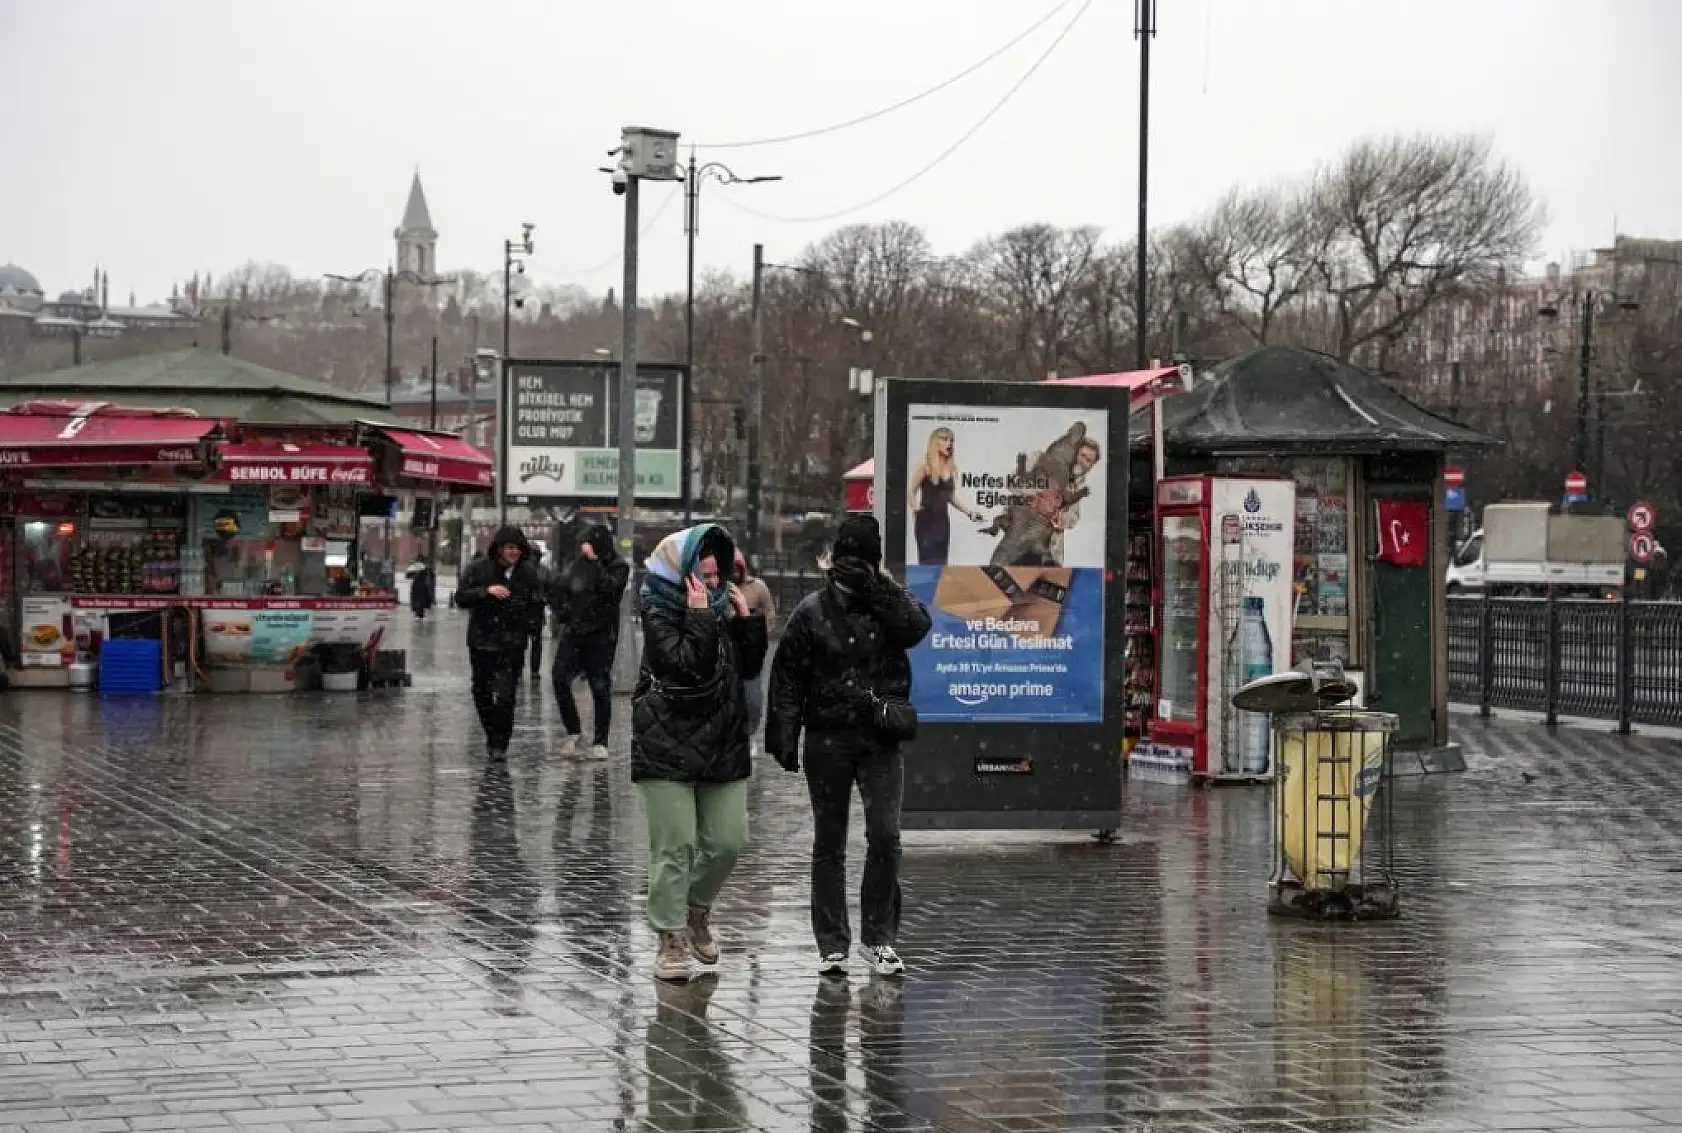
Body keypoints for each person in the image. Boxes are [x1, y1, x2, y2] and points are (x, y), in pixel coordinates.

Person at [767, 514, 931, 977]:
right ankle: (832, 943)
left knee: (885, 835)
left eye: (864, 558)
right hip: (828, 738)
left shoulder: (887, 603)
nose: (854, 566)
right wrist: (784, 735)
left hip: (879, 738)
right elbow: (788, 677)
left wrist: (878, 589)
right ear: (834, 558)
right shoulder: (811, 611)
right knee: (829, 841)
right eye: (849, 557)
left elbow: (918, 626)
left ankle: (878, 938)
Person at [632, 524, 767, 982]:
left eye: (717, 576)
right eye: (703, 575)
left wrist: (745, 619)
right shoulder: (659, 610)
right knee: (676, 845)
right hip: (666, 744)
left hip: (721, 743)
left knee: (729, 841)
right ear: (680, 571)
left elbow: (750, 669)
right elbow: (687, 669)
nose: (713, 585)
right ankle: (670, 938)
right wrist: (702, 616)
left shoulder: (719, 609)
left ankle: (696, 910)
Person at [453, 527, 542, 759]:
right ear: (500, 548)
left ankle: (499, 744)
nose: (514, 552)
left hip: (512, 643)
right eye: (510, 547)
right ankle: (492, 732)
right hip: (482, 641)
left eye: (518, 548)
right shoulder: (479, 568)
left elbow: (536, 602)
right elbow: (461, 597)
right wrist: (486, 592)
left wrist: (530, 625)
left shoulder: (528, 573)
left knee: (506, 694)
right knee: (481, 690)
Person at [551, 523, 630, 759]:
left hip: (601, 635)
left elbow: (611, 590)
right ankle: (573, 731)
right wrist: (563, 612)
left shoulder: (618, 567)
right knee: (559, 678)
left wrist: (595, 562)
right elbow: (563, 588)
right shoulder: (578, 565)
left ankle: (600, 741)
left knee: (600, 686)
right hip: (575, 632)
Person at [908, 426, 983, 565]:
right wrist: (915, 507)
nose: (949, 443)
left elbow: (950, 497)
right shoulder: (926, 465)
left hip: (942, 522)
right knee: (927, 562)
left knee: (941, 563)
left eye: (951, 440)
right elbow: (911, 490)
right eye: (944, 439)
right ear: (935, 442)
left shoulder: (950, 467)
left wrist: (969, 513)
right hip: (926, 521)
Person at [732, 550, 776, 751]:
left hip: (751, 649)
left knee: (752, 699)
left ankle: (749, 733)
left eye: (737, 569)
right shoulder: (719, 587)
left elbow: (769, 613)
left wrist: (759, 635)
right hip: (730, 651)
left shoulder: (757, 587)